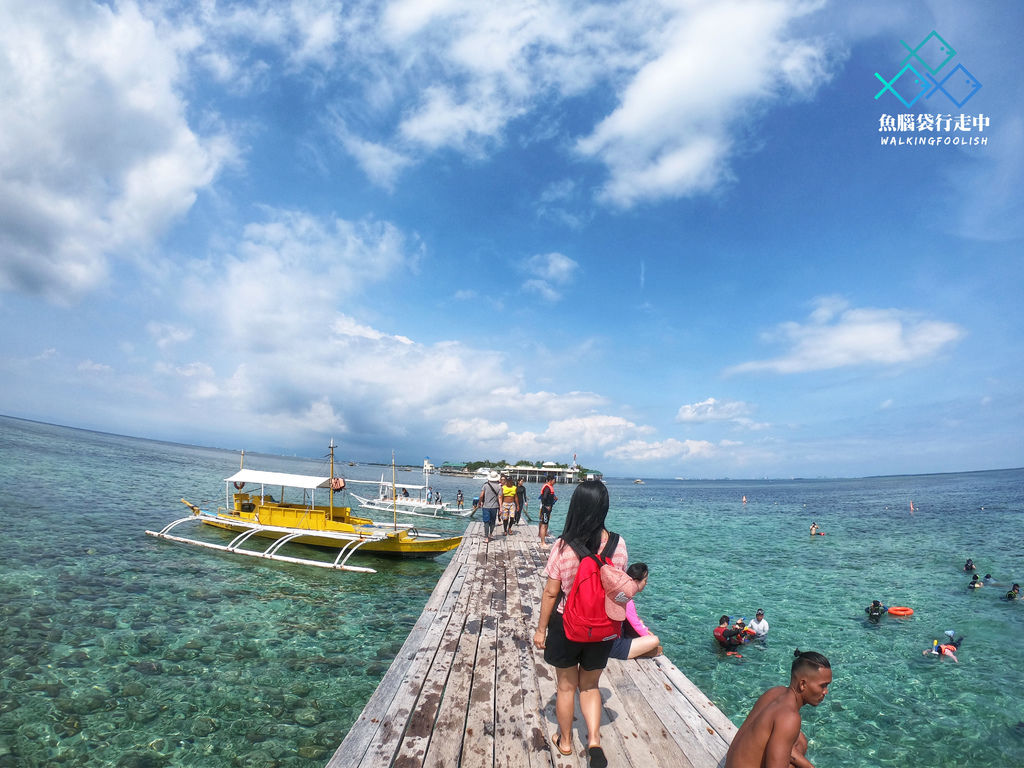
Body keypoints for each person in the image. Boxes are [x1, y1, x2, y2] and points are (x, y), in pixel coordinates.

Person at [533, 480, 628, 768]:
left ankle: (564, 742)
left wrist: (540, 629)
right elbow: (620, 590)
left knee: (565, 687)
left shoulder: (563, 546)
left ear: (576, 506)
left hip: (567, 626)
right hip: (603, 629)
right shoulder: (619, 545)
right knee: (590, 687)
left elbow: (551, 592)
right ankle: (594, 742)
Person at [724, 649, 832, 768]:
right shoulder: (790, 717)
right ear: (803, 684)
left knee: (800, 740)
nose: (826, 692)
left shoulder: (775, 693)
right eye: (823, 686)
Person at [609, 563, 662, 660]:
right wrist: (648, 635)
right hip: (611, 646)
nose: (646, 584)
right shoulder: (627, 600)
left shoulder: (618, 593)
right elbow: (636, 625)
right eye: (645, 581)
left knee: (639, 622)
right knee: (655, 641)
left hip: (605, 639)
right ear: (637, 581)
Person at [478, 471, 501, 542]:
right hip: (495, 506)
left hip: (486, 506)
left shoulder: (485, 485)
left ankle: (486, 537)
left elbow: (481, 496)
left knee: (486, 522)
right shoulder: (499, 487)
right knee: (493, 521)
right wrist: (501, 508)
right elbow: (500, 498)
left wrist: (479, 503)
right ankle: (490, 534)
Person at [538, 474, 558, 548]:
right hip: (545, 508)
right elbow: (543, 498)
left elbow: (549, 497)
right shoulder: (547, 488)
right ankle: (542, 543)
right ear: (550, 480)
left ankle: (543, 540)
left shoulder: (550, 487)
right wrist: (546, 506)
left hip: (548, 508)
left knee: (546, 523)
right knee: (544, 524)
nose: (555, 481)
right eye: (554, 480)